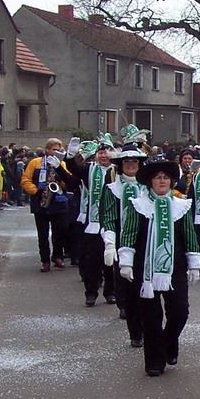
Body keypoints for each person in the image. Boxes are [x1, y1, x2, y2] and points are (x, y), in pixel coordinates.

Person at [117, 157, 200, 377]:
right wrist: (125, 261)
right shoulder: (138, 205)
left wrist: (194, 263)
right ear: (150, 182)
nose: (162, 181)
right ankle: (154, 361)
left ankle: (168, 343)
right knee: (150, 317)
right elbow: (129, 233)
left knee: (180, 312)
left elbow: (189, 235)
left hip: (175, 268)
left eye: (165, 177)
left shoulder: (181, 206)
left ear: (171, 181)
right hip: (145, 269)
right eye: (157, 177)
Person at [101, 142, 149, 346]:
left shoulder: (147, 188)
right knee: (128, 288)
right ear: (121, 165)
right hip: (123, 243)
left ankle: (148, 328)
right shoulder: (112, 189)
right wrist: (110, 244)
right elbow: (109, 217)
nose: (131, 165)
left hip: (146, 243)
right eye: (127, 162)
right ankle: (135, 332)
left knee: (146, 288)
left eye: (134, 161)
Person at [21, 138, 73, 272]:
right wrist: (36, 191)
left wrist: (60, 178)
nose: (56, 152)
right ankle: (45, 260)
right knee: (42, 234)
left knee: (61, 231)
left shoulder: (62, 164)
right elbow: (25, 180)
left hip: (59, 203)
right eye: (54, 150)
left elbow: (69, 182)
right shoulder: (35, 163)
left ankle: (57, 256)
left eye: (59, 150)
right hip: (40, 203)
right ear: (47, 149)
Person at [77, 137, 117, 306]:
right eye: (100, 153)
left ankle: (110, 292)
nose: (103, 156)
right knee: (92, 260)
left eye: (106, 152)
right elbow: (73, 170)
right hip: (93, 222)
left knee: (111, 261)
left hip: (112, 221)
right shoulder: (89, 169)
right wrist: (71, 156)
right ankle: (91, 292)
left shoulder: (118, 170)